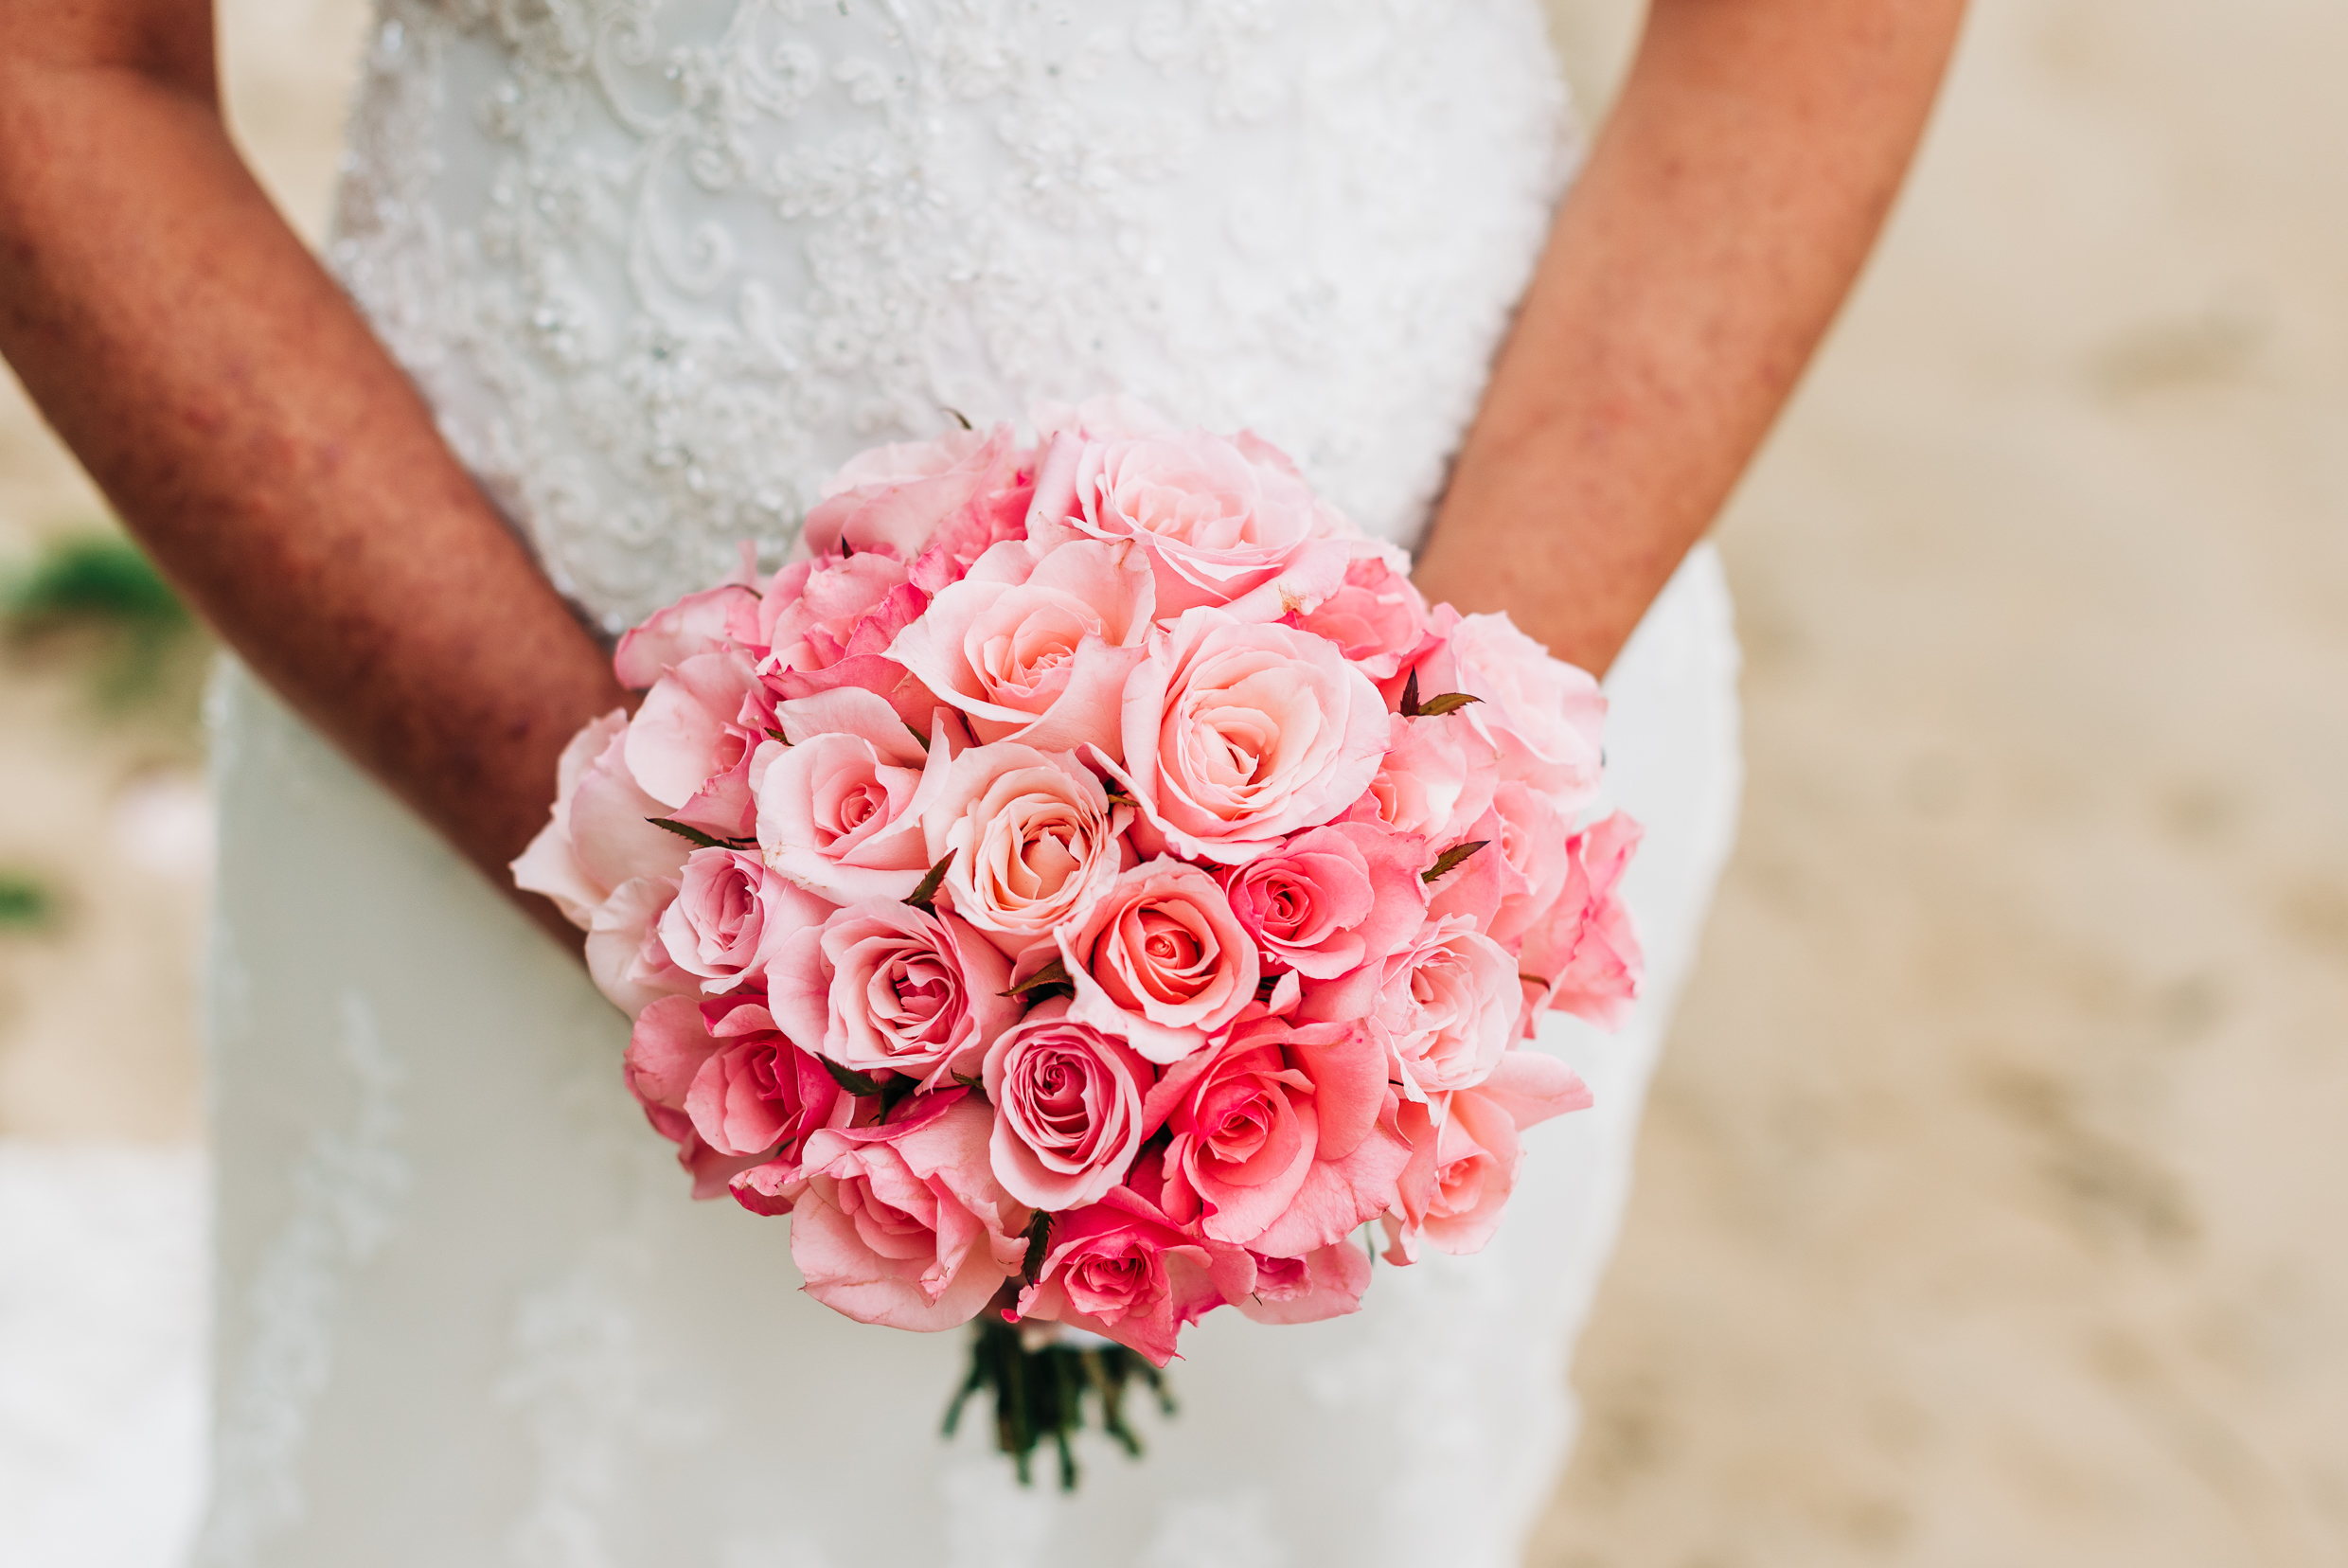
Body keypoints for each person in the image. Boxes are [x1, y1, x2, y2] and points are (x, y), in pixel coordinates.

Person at [0, 1, 1964, 1562]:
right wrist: (672, 884)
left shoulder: (1431, 865)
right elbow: (56, 62)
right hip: (459, 719)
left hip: (1434, 870)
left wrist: (1418, 824)